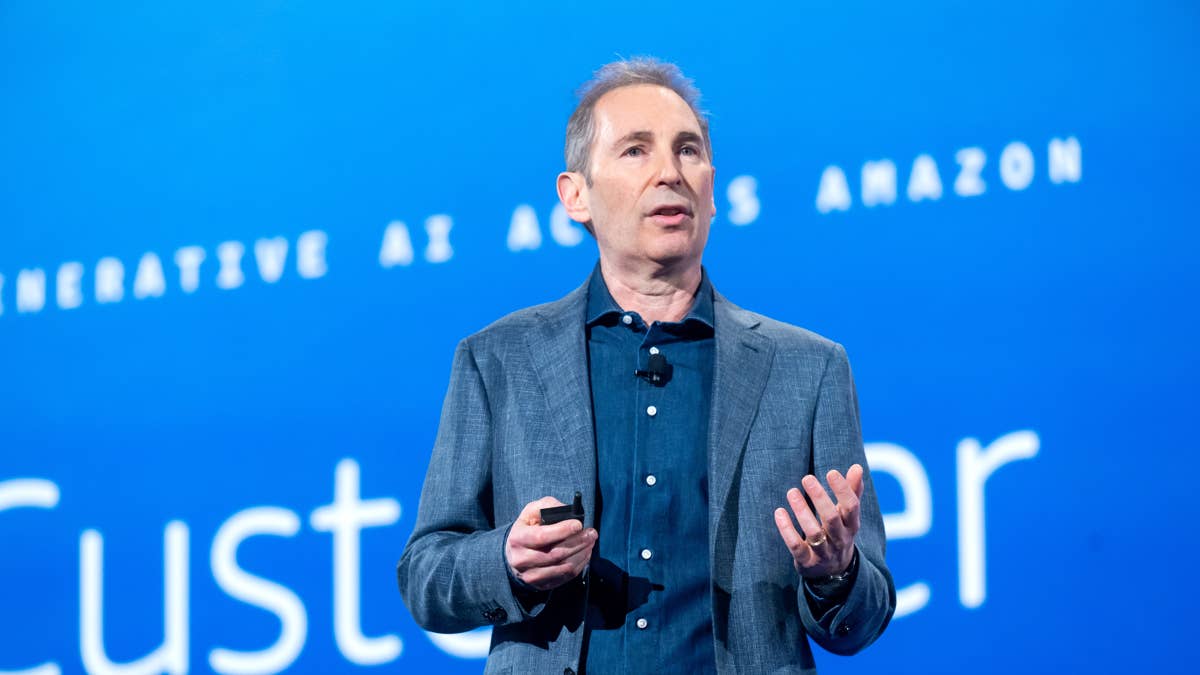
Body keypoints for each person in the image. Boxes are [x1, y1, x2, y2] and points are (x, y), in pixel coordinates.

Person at [398, 57, 895, 674]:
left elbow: (864, 617)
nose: (670, 172)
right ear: (575, 195)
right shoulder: (499, 359)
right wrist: (508, 561)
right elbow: (425, 575)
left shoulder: (808, 369)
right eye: (636, 151)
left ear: (712, 188)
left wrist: (835, 572)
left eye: (688, 151)